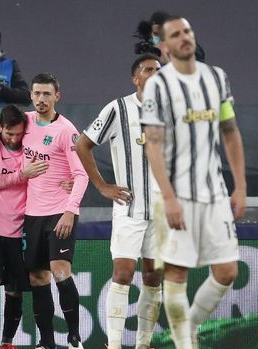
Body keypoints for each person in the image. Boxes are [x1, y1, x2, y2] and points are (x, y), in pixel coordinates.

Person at [140, 16, 246, 349]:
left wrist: (240, 186)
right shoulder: (158, 85)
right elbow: (153, 145)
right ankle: (187, 344)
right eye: (175, 34)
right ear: (166, 46)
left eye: (187, 31)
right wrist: (168, 198)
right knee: (176, 275)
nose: (183, 37)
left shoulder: (217, 78)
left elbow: (229, 132)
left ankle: (188, 328)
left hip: (214, 193)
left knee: (228, 272)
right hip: (177, 195)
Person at [0, 73, 90, 349]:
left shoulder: (66, 131)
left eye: (47, 94)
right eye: (37, 94)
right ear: (31, 95)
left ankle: (74, 338)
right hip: (32, 215)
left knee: (60, 270)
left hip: (59, 212)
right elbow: (3, 130)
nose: (41, 99)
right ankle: (47, 342)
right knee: (37, 276)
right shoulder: (27, 121)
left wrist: (70, 211)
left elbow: (82, 174)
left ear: (57, 97)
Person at [75, 54, 163, 349]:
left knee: (153, 276)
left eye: (159, 70)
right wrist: (102, 186)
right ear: (135, 78)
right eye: (148, 70)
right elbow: (82, 144)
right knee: (123, 273)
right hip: (130, 209)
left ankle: (144, 343)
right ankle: (113, 344)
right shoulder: (119, 108)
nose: (155, 74)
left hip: (162, 211)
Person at [0, 105, 49, 349]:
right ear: (0, 128)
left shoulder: (30, 144)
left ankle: (7, 342)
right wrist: (23, 174)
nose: (15, 139)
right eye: (9, 134)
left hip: (22, 228)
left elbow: (40, 117)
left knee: (16, 290)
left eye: (18, 134)